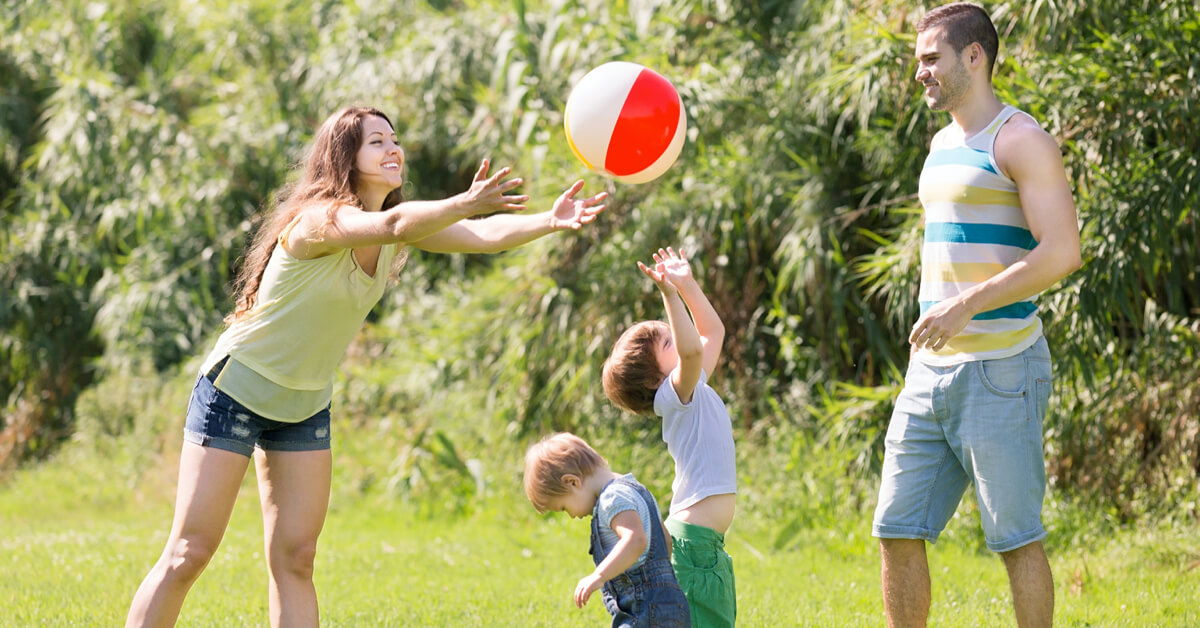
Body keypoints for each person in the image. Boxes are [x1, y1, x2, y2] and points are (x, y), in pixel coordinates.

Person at [124, 106, 608, 628]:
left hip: (304, 404)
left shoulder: (391, 232)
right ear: (345, 158)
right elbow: (399, 219)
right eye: (376, 142)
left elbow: (481, 236)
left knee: (296, 558)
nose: (392, 149)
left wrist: (549, 220)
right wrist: (466, 199)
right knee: (189, 552)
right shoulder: (318, 221)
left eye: (394, 139)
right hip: (234, 392)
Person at [872, 4, 1082, 627]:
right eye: (918, 62)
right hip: (929, 374)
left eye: (931, 59)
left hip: (1003, 369)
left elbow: (1062, 252)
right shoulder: (939, 145)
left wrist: (966, 305)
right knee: (896, 528)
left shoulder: (1022, 140)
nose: (921, 74)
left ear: (974, 57)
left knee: (1016, 540)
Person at [601, 247, 737, 628]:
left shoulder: (693, 386)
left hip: (701, 544)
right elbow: (694, 348)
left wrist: (687, 284)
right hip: (695, 544)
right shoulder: (674, 396)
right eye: (667, 342)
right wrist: (669, 294)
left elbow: (713, 332)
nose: (679, 339)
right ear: (653, 380)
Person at [523, 432, 690, 628]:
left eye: (564, 508)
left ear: (572, 482)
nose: (571, 516)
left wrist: (598, 576)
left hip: (645, 608)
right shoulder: (638, 489)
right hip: (672, 603)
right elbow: (666, 540)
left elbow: (636, 540)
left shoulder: (611, 498)